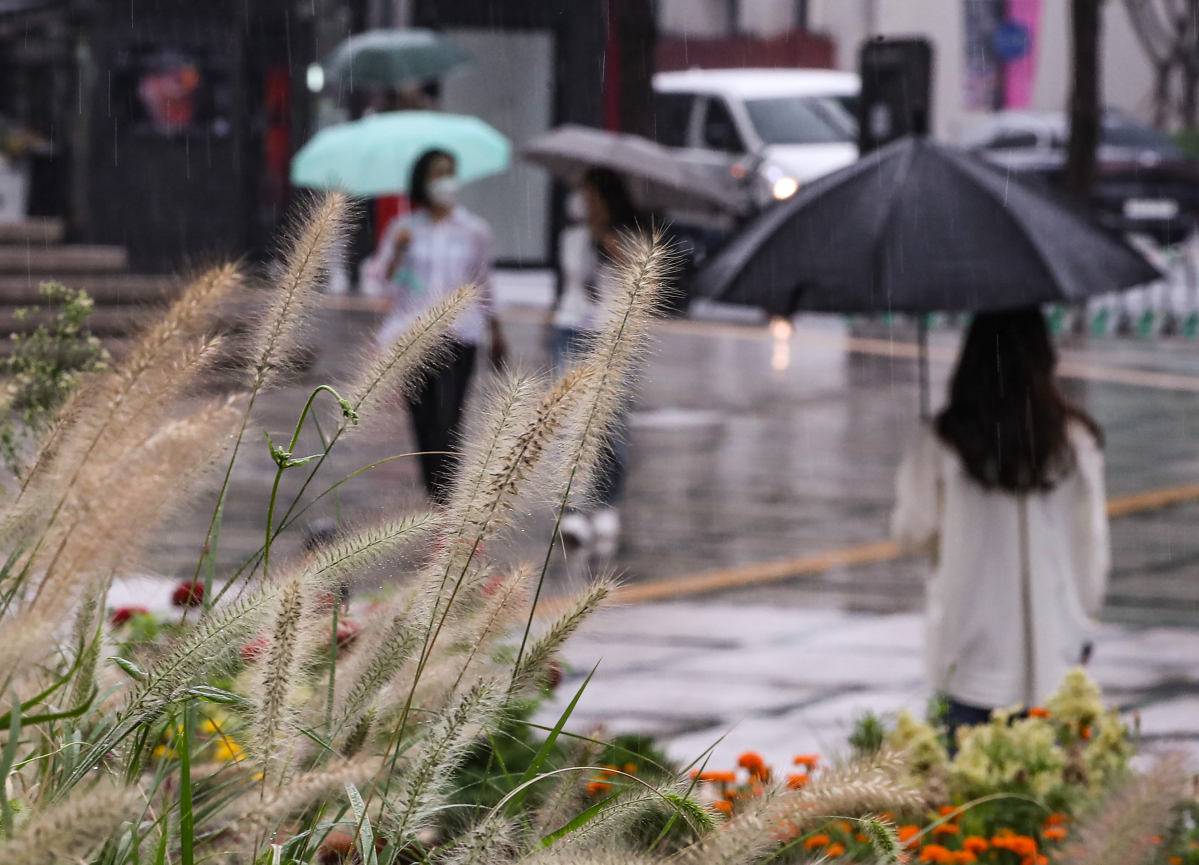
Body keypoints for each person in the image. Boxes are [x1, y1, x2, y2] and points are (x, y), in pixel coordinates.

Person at [891, 309, 1109, 742]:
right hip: (1053, 652)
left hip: (969, 650)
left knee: (964, 776)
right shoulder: (1073, 441)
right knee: (1050, 779)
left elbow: (913, 532)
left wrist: (916, 467)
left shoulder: (947, 440)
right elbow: (1091, 550)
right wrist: (1081, 620)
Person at [363, 149, 507, 503]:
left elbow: (483, 281)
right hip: (412, 336)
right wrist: (398, 253)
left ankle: (448, 501)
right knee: (423, 422)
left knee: (448, 420)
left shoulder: (473, 230)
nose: (446, 182)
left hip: (459, 335)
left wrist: (496, 329)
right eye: (438, 174)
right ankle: (436, 498)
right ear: (423, 181)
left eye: (450, 172)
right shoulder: (404, 229)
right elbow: (382, 284)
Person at [552, 168, 642, 547]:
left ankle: (608, 502)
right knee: (572, 421)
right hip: (572, 330)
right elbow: (573, 276)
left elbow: (639, 282)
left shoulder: (632, 238)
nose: (584, 202)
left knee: (610, 423)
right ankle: (571, 508)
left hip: (613, 336)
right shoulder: (572, 237)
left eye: (591, 194)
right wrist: (591, 238)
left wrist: (611, 244)